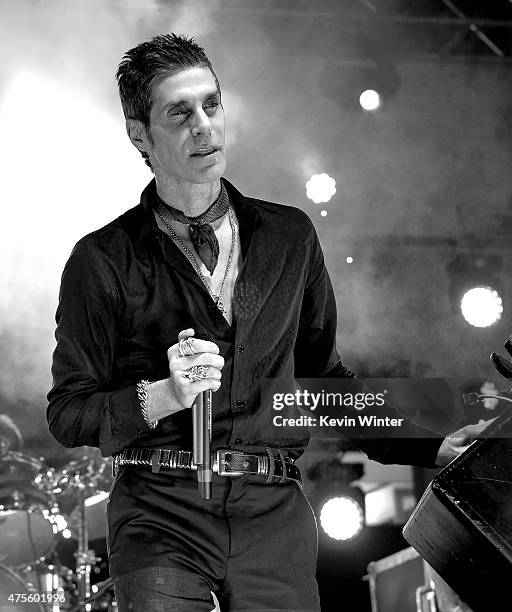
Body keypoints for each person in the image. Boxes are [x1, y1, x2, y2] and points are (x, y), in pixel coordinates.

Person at [47, 34, 486, 612]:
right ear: (139, 136)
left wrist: (432, 440)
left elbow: (323, 381)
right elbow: (68, 411)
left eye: (212, 104)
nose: (204, 125)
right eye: (179, 113)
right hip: (161, 510)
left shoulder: (290, 237)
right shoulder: (102, 259)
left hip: (273, 512)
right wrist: (162, 395)